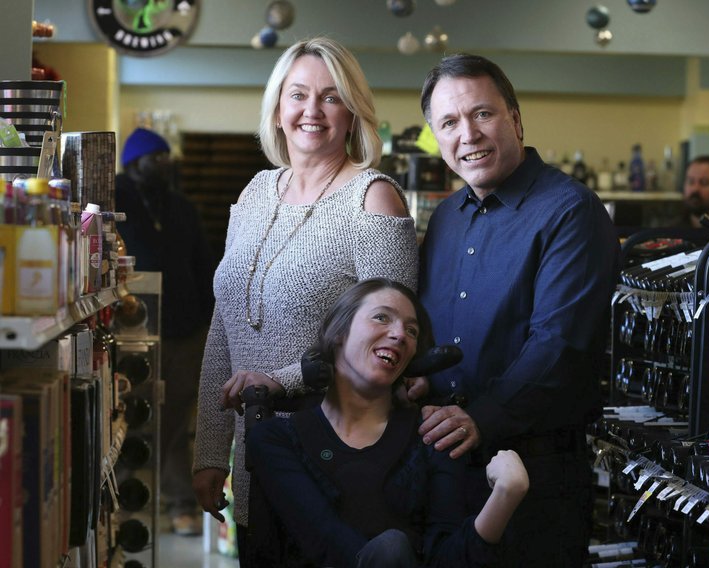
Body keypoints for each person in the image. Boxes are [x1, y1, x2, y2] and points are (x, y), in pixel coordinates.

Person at [191, 37, 419, 562]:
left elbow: (391, 340)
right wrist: (210, 451)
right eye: (297, 95)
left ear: (352, 113)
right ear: (276, 109)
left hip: (338, 458)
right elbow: (224, 329)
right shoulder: (254, 194)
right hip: (257, 458)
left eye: (330, 96)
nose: (311, 111)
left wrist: (281, 382)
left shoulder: (373, 198)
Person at [416, 54, 620, 566]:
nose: (469, 134)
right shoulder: (445, 219)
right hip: (446, 464)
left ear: (516, 119)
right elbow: (428, 328)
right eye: (449, 123)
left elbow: (560, 345)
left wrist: (478, 417)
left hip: (538, 474)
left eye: (482, 114)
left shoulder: (571, 211)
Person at [247, 278, 529, 567]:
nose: (399, 335)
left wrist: (505, 496)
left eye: (412, 330)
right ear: (340, 331)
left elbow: (447, 559)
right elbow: (324, 541)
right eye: (381, 317)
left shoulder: (432, 434)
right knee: (392, 547)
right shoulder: (276, 439)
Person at [115, 127, 215, 535]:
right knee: (127, 419)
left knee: (175, 422)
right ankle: (124, 503)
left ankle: (178, 504)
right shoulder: (113, 201)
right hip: (133, 332)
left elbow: (204, 262)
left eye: (166, 157)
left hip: (185, 331)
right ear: (136, 163)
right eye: (157, 158)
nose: (166, 164)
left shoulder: (180, 206)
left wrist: (210, 318)